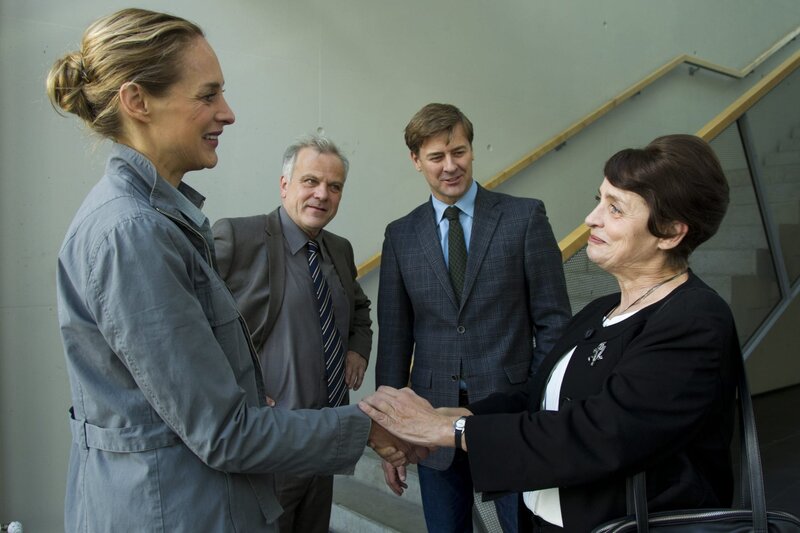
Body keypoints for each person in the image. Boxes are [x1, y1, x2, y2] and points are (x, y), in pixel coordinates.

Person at [47, 9, 421, 532]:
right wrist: (367, 429)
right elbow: (223, 433)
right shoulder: (133, 234)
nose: (227, 113)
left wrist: (241, 388)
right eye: (207, 95)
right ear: (137, 102)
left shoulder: (157, 219)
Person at [361, 134, 739, 532]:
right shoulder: (600, 310)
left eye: (615, 208)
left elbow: (597, 434)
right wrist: (452, 416)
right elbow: (538, 396)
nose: (592, 218)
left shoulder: (694, 319)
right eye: (599, 200)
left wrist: (451, 430)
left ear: (670, 233)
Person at [375, 103, 572, 532]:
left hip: (509, 420)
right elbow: (394, 340)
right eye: (436, 157)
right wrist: (390, 431)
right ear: (415, 160)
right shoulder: (401, 235)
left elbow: (555, 323)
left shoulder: (524, 218)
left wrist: (534, 399)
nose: (450, 167)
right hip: (431, 423)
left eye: (459, 152)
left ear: (471, 149)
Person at [212, 135, 372, 533]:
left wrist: (356, 349)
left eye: (334, 187)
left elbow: (361, 311)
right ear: (284, 185)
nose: (322, 194)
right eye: (310, 181)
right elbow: (193, 323)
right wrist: (236, 385)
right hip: (271, 442)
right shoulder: (239, 238)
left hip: (325, 436)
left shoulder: (340, 248)